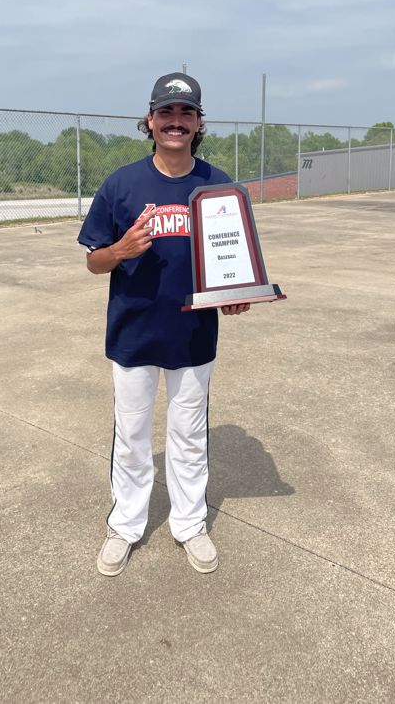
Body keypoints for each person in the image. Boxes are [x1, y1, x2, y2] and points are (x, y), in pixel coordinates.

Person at [78, 72, 249, 577]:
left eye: (187, 114)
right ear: (149, 121)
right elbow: (94, 262)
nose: (176, 123)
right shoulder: (122, 184)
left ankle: (189, 523)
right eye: (166, 113)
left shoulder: (218, 186)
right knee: (132, 435)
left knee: (189, 433)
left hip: (193, 333)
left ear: (199, 124)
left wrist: (234, 296)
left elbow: (231, 263)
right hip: (133, 331)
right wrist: (119, 250)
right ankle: (126, 525)